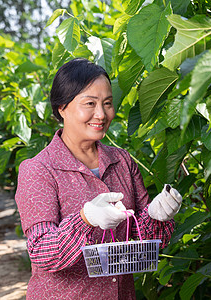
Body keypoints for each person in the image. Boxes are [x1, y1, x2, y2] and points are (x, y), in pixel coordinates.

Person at [15, 58, 183, 300]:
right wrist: (86, 218)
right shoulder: (39, 170)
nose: (101, 114)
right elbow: (43, 252)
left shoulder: (122, 162)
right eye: (90, 103)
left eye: (107, 103)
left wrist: (157, 216)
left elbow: (143, 243)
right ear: (62, 107)